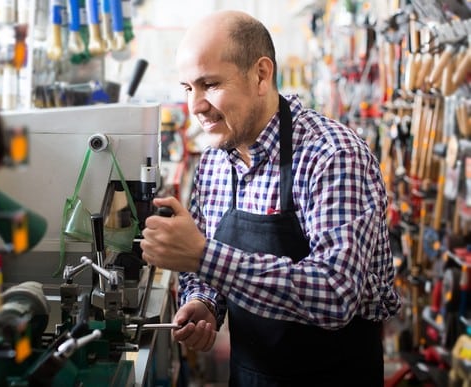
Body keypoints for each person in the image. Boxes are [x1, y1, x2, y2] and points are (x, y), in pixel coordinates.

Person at [140, 9, 401, 387]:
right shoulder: (214, 161)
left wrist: (203, 256)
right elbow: (206, 270)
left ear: (261, 75)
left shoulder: (332, 155)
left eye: (209, 84)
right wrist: (204, 304)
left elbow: (336, 294)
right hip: (249, 377)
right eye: (187, 88)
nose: (195, 105)